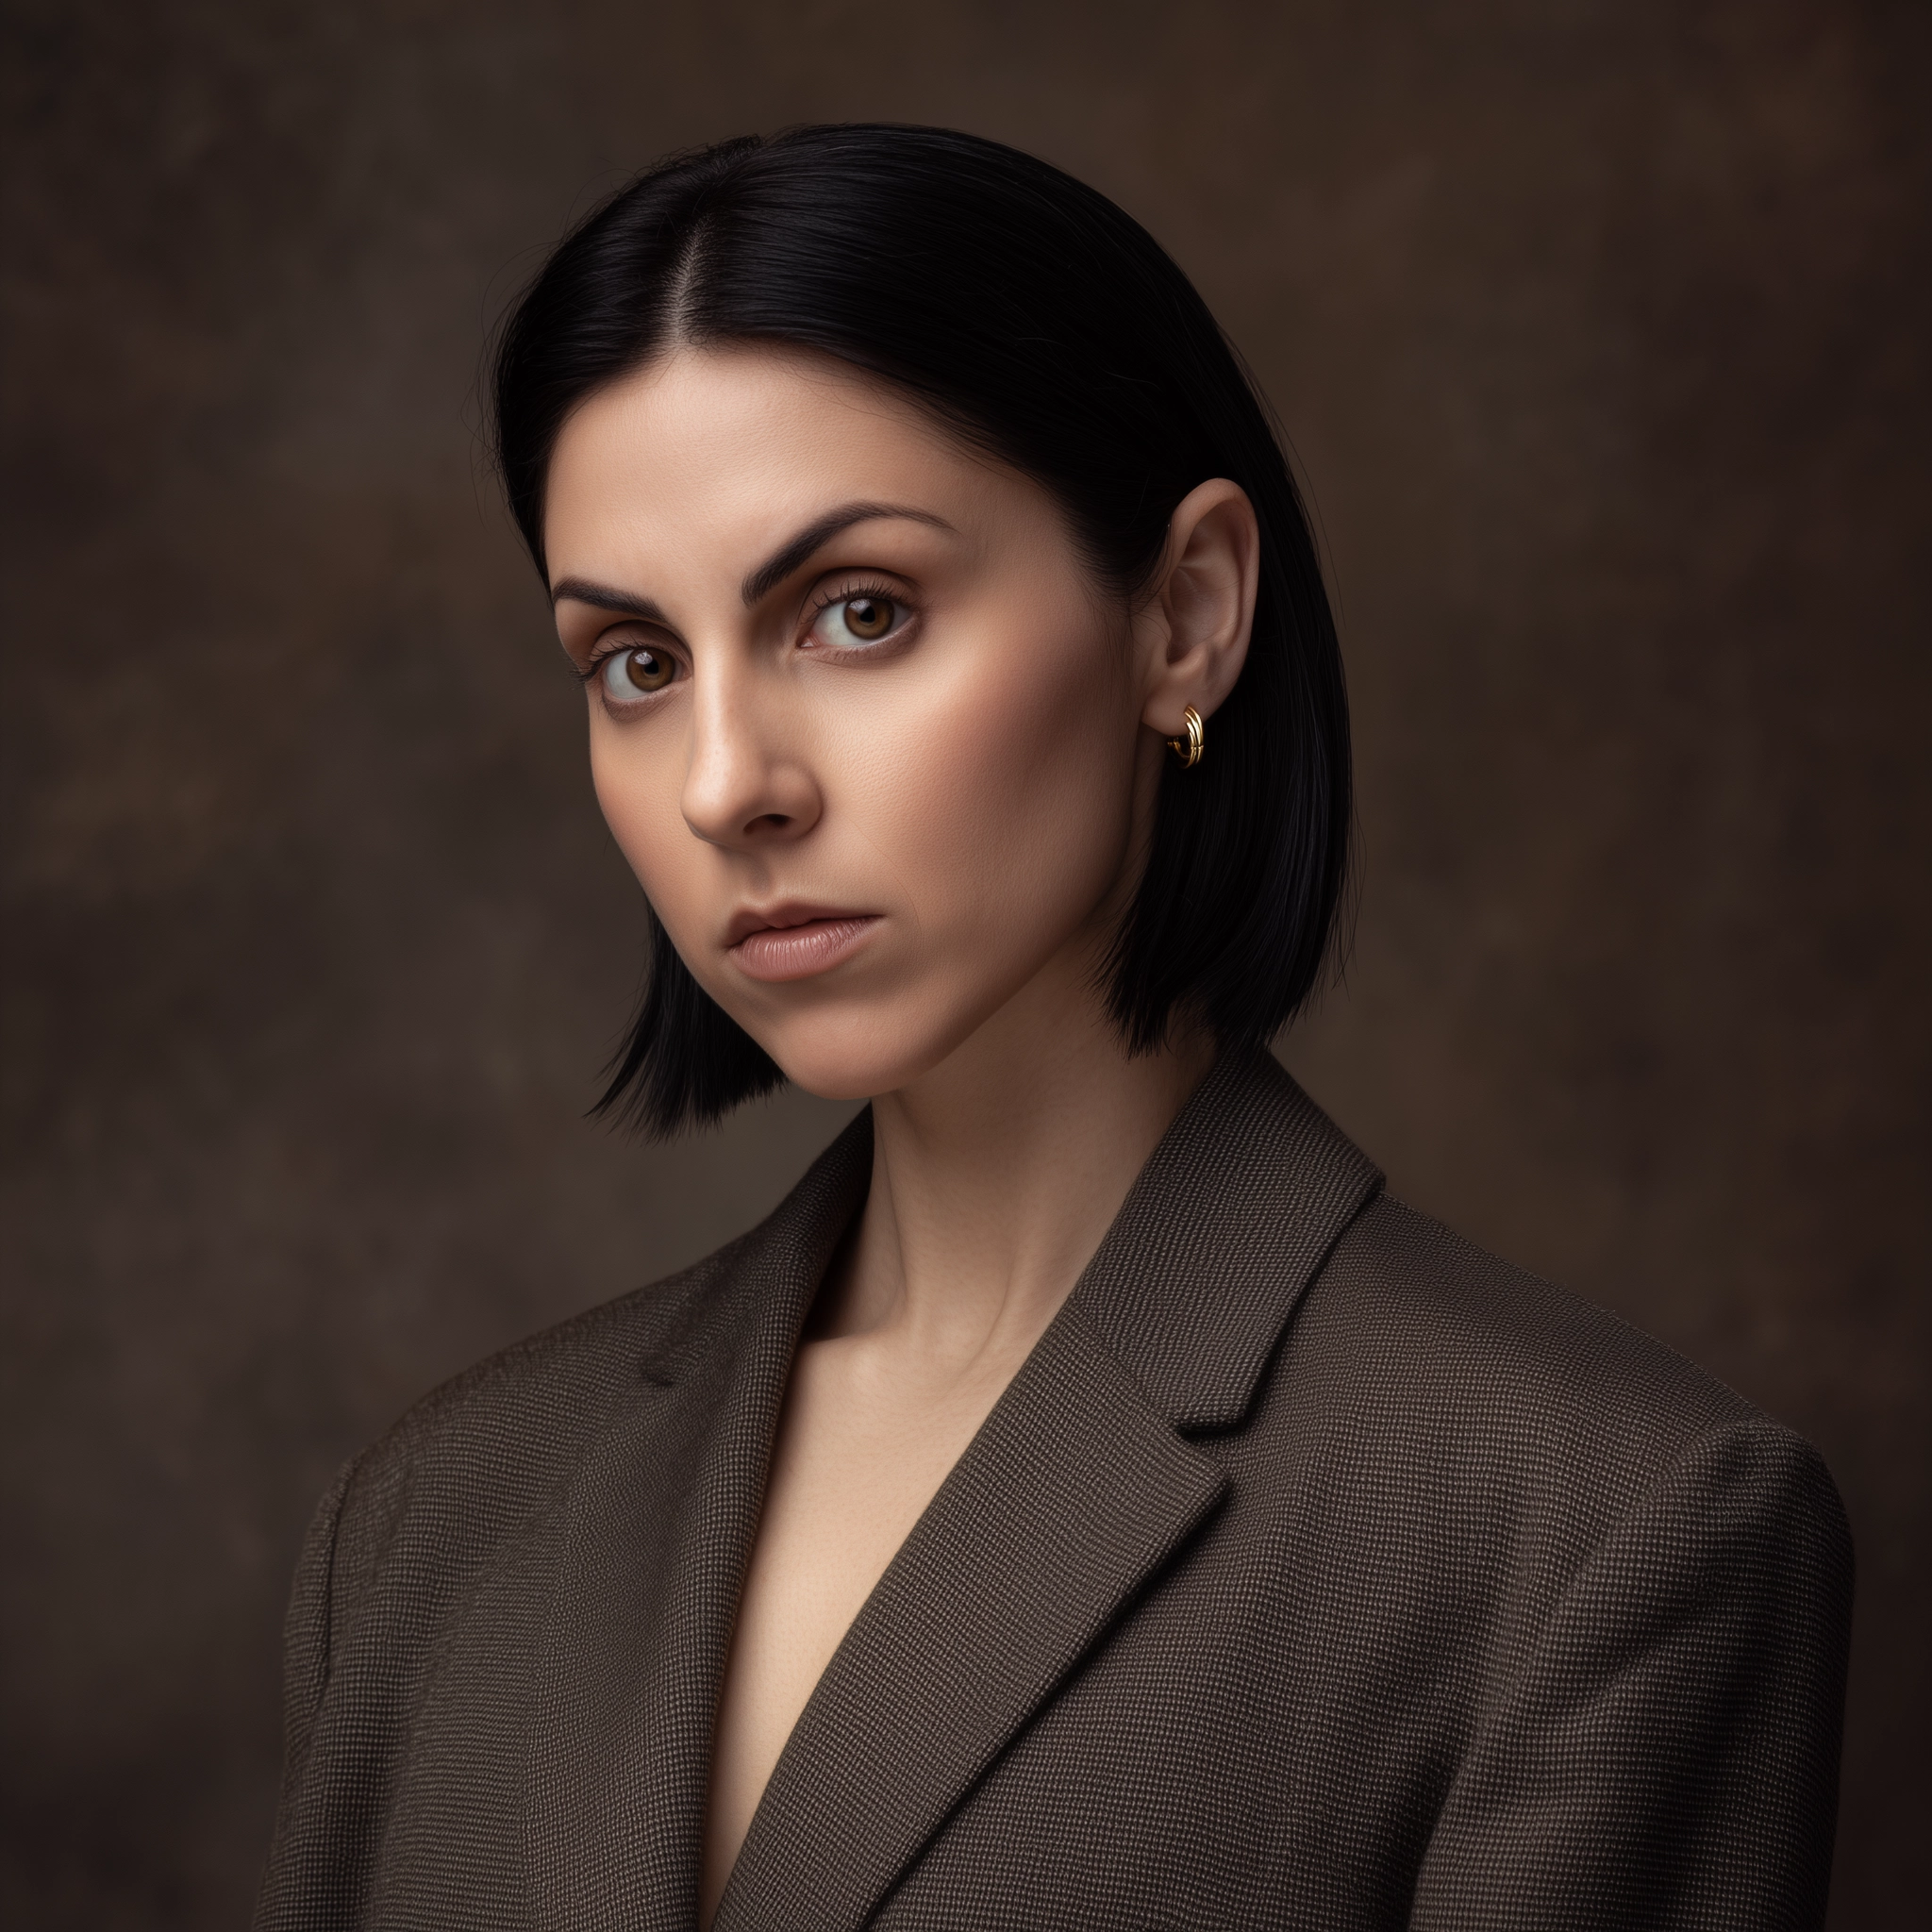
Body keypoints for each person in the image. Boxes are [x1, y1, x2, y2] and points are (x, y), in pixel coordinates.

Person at [254, 126, 1852, 1931]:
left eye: (857, 613)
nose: (725, 785)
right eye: (637, 663)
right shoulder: (431, 1529)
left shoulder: (1594, 1531)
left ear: (1185, 615)